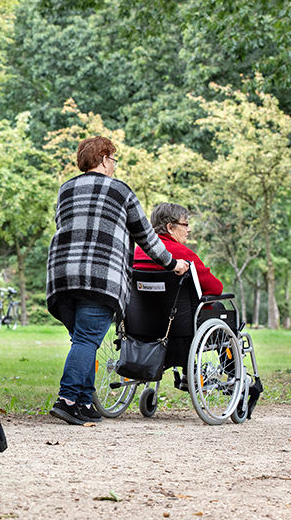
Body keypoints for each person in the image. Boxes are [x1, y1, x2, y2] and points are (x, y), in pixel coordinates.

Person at [46, 136, 189, 426]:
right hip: (99, 276)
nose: (114, 165)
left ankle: (84, 401)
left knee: (81, 339)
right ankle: (68, 399)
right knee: (87, 338)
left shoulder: (66, 189)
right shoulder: (120, 191)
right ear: (103, 160)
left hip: (61, 275)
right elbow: (147, 237)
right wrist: (173, 264)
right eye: (113, 159)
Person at [133, 202, 223, 296]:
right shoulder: (182, 253)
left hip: (145, 310)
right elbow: (216, 289)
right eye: (186, 224)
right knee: (219, 306)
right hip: (181, 310)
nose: (189, 229)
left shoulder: (138, 251)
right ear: (170, 227)